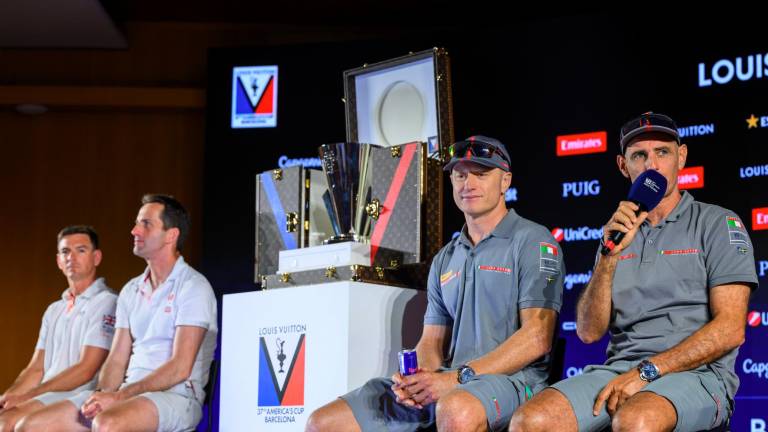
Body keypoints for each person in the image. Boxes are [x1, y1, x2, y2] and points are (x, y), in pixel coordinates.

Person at [509, 112, 759, 432]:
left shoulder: (717, 223)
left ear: (681, 158)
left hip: (698, 375)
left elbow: (730, 329)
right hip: (618, 371)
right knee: (529, 421)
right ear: (623, 166)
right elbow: (588, 332)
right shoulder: (616, 231)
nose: (651, 164)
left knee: (636, 420)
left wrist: (646, 372)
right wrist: (607, 255)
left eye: (662, 152)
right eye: (639, 155)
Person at [306, 135, 565, 432]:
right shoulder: (446, 258)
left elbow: (537, 338)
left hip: (514, 382)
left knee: (456, 410)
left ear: (505, 181)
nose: (468, 184)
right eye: (460, 175)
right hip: (452, 381)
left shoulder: (533, 241)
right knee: (323, 422)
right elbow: (431, 341)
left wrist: (457, 379)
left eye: (481, 174)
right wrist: (417, 380)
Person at [18, 194, 218, 432]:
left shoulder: (194, 286)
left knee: (107, 423)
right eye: (136, 223)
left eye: (146, 224)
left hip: (177, 397)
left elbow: (180, 367)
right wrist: (103, 395)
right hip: (129, 392)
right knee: (32, 425)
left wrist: (121, 397)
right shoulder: (131, 290)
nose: (134, 230)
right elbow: (117, 359)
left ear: (171, 235)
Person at [0, 226, 116, 432]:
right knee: (3, 419)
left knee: (22, 425)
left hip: (81, 394)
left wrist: (27, 396)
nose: (71, 257)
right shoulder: (54, 309)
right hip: (47, 393)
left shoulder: (107, 302)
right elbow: (36, 368)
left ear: (96, 257)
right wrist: (9, 396)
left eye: (81, 250)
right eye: (65, 252)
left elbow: (87, 369)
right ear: (58, 261)